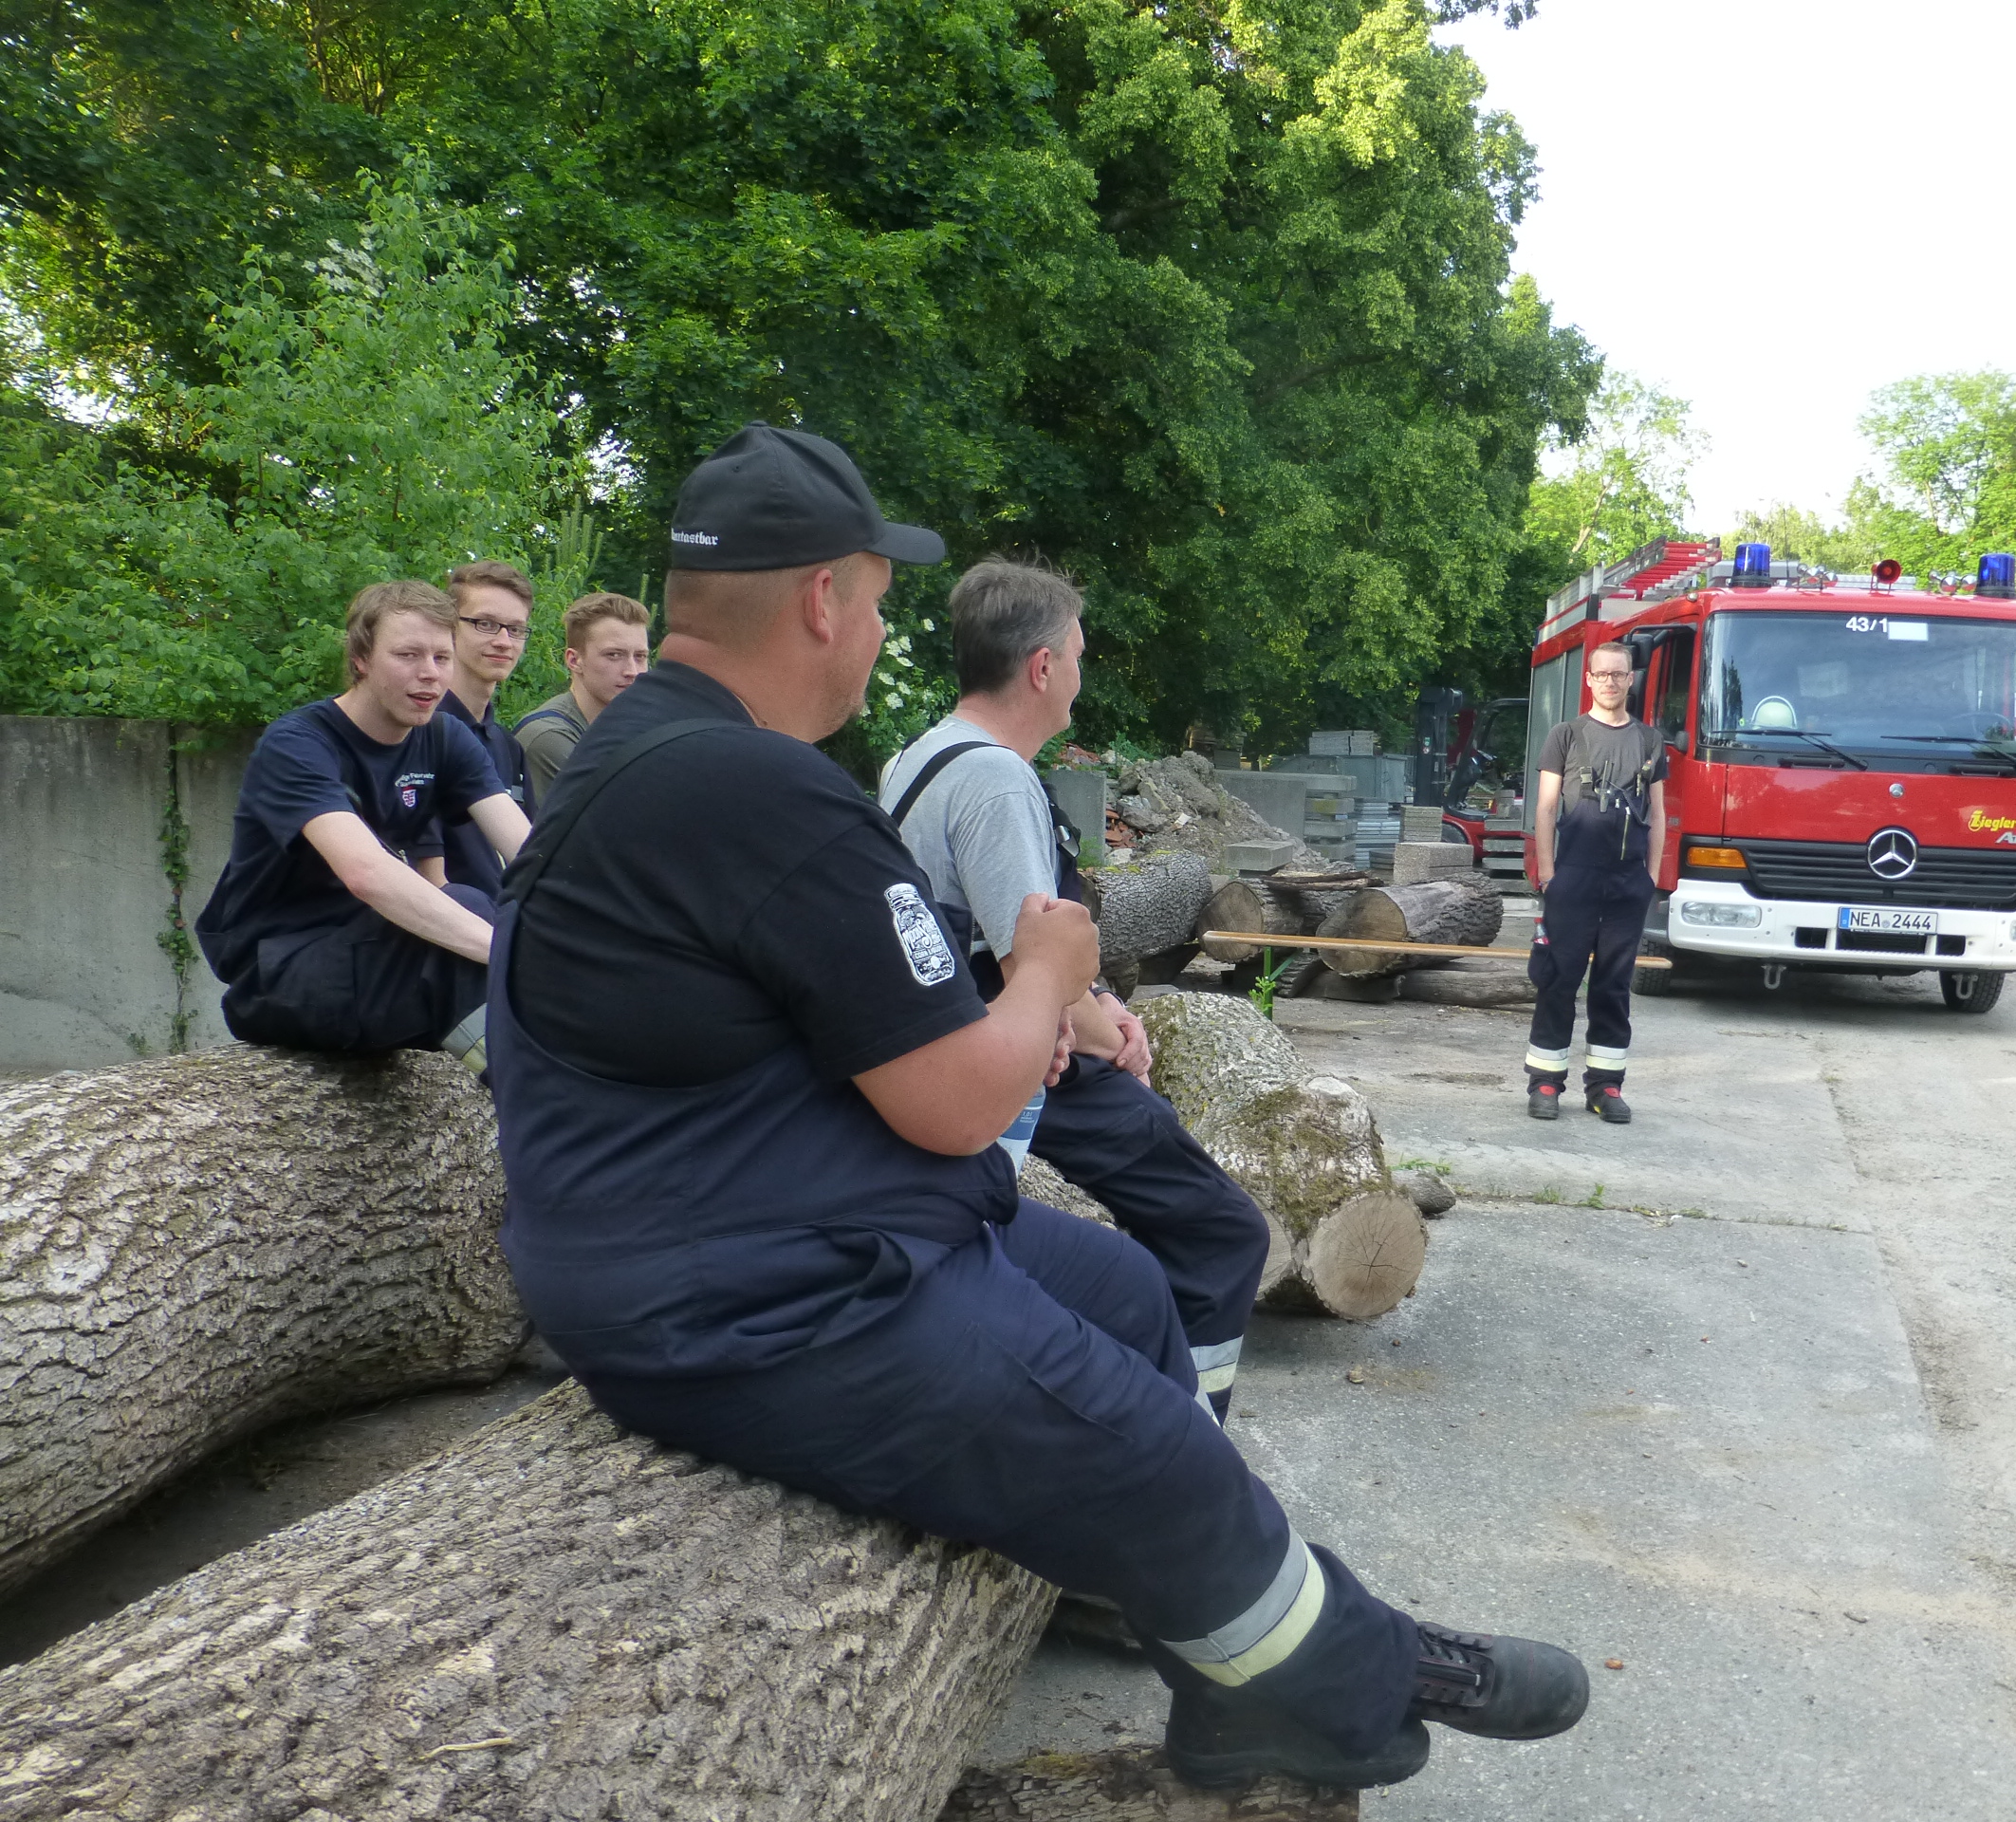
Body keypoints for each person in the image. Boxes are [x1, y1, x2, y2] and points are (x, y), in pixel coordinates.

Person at [485, 421, 1587, 1792]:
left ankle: (1230, 1664)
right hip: (758, 1296)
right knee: (1156, 1464)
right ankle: (1364, 1678)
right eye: (880, 603)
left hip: (752, 1223)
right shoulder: (752, 791)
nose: (881, 634)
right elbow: (956, 1100)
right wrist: (1056, 970)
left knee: (1132, 1300)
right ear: (825, 596)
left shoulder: (656, 756)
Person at [880, 559, 1267, 1422]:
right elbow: (1030, 962)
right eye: (1080, 657)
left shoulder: (919, 757)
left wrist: (1107, 1005)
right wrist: (1111, 1033)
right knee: (1220, 1233)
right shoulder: (994, 778)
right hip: (1026, 1062)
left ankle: (1125, 1394)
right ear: (1042, 666)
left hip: (969, 1040)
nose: (1081, 679)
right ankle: (1189, 1437)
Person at [195, 579, 529, 1056]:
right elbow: (366, 874)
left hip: (373, 954)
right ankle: (543, 1106)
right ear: (360, 659)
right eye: (408, 655)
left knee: (475, 905)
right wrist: (513, 957)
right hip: (279, 975)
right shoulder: (298, 744)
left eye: (441, 657)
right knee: (472, 924)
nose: (430, 674)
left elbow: (529, 855)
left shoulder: (444, 736)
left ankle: (548, 1097)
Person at [1525, 640, 1668, 1124]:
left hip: (1628, 882)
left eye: (1619, 674)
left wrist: (1650, 877)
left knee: (1613, 985)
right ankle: (1545, 1082)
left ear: (1631, 680)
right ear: (1589, 680)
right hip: (1574, 877)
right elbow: (1545, 809)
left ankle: (1606, 1087)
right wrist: (1548, 874)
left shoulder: (1649, 741)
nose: (1610, 681)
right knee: (1558, 979)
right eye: (1602, 674)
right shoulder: (1565, 736)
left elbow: (1659, 814)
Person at [436, 560, 536, 898]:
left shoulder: (507, 747)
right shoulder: (418, 734)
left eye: (516, 628)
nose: (504, 641)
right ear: (449, 627)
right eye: (486, 624)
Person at [512, 590, 653, 808]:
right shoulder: (549, 737)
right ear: (574, 660)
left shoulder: (636, 732)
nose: (632, 671)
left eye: (640, 657)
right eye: (614, 655)